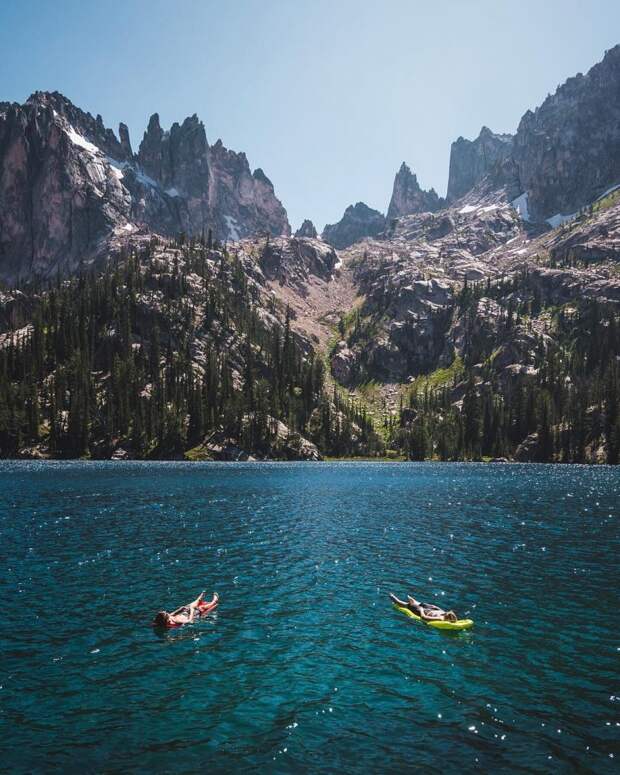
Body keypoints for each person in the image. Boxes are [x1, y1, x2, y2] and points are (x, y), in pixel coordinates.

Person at [153, 590, 218, 628]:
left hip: (184, 613)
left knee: (189, 605)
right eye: (166, 614)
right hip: (192, 615)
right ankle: (214, 601)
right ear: (165, 619)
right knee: (200, 607)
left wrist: (179, 609)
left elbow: (173, 613)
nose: (167, 613)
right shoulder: (175, 621)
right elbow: (190, 621)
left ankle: (199, 599)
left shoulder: (168, 618)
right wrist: (192, 610)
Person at [389, 592, 458, 623]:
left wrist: (422, 609)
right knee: (406, 605)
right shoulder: (441, 618)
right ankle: (393, 597)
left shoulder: (443, 615)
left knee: (409, 604)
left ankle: (414, 601)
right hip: (427, 610)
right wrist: (422, 610)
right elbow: (424, 618)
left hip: (429, 609)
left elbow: (424, 617)